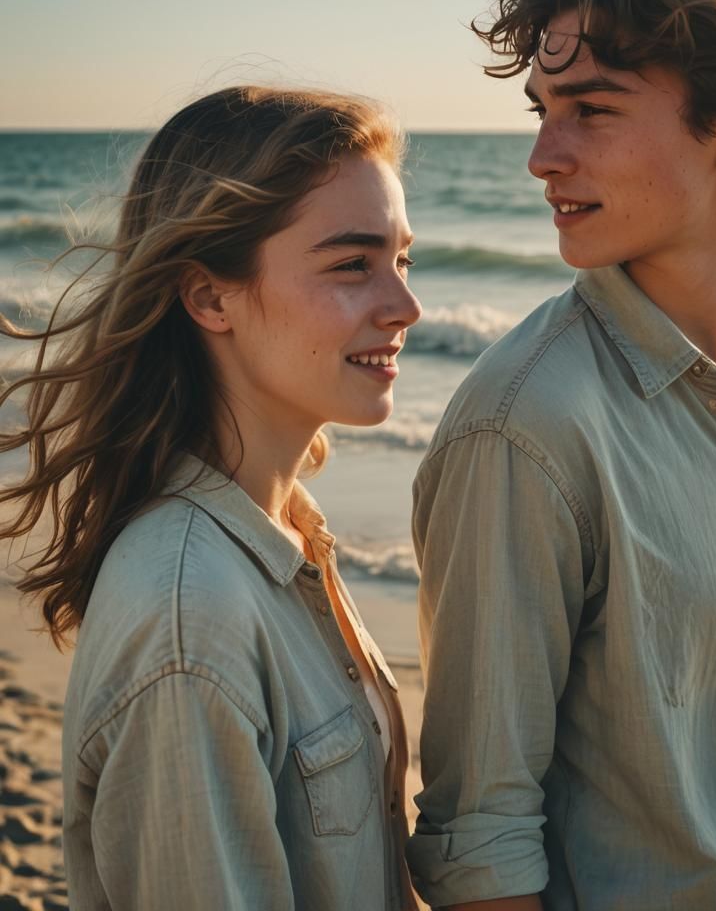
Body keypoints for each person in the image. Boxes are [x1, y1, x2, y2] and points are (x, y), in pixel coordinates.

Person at [407, 0, 716, 910]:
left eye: (592, 110)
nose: (542, 157)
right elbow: (480, 841)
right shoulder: (523, 427)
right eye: (542, 111)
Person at [1, 86, 422, 909]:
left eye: (402, 260)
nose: (405, 306)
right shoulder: (191, 616)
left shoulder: (285, 535)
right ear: (208, 297)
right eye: (352, 264)